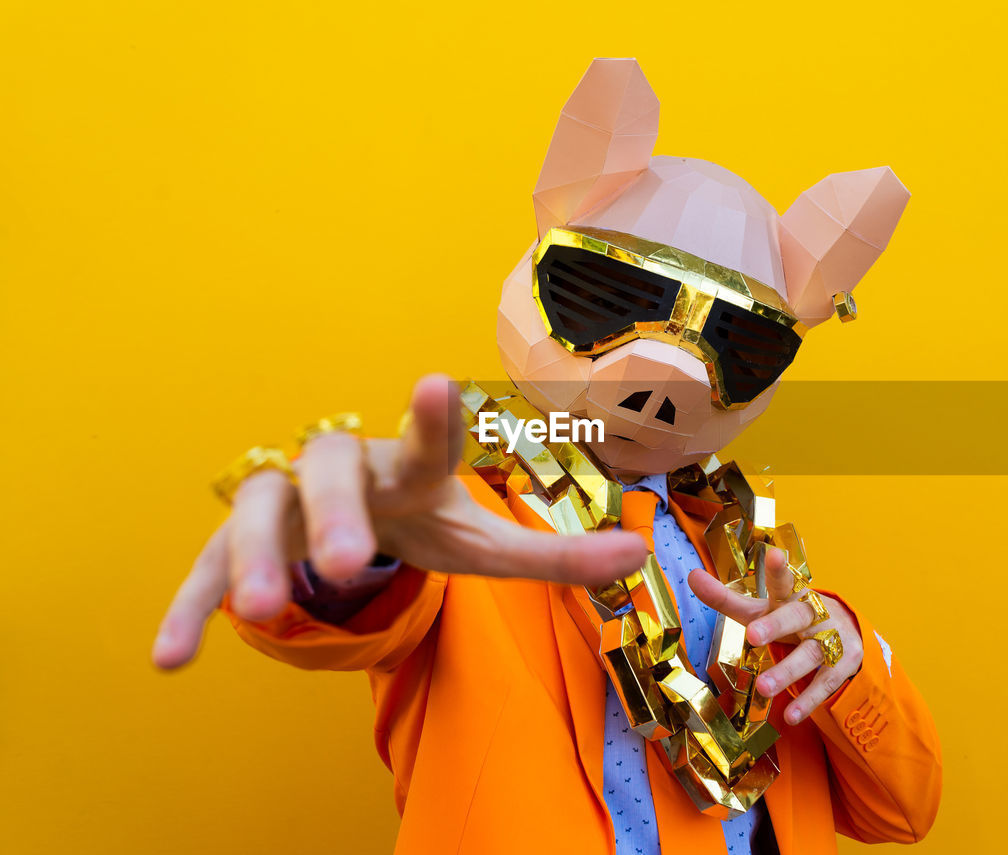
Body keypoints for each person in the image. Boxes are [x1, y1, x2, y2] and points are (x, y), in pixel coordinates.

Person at [151, 59, 942, 854]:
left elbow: (902, 813)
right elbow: (328, 614)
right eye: (605, 299)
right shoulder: (460, 522)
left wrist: (844, 648)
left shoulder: (758, 575)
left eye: (739, 344)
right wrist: (346, 550)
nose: (661, 382)